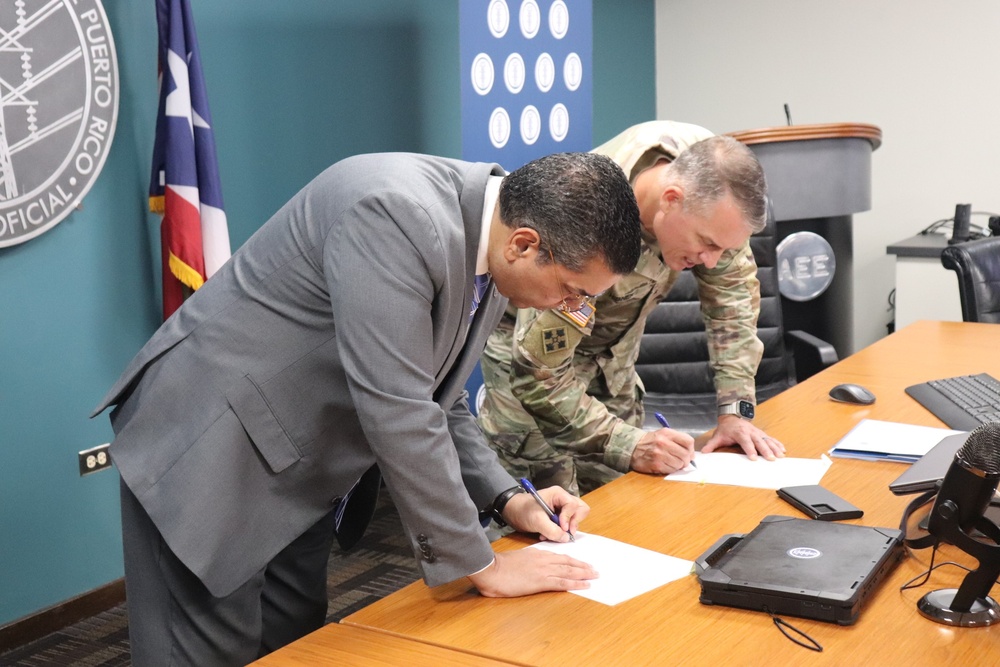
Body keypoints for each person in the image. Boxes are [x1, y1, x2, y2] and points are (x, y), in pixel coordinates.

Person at [91, 151, 642, 665]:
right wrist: (485, 565)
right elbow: (399, 408)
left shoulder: (493, 246)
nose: (573, 308)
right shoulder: (396, 213)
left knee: (296, 642)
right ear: (525, 244)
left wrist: (505, 499)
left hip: (300, 460)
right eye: (572, 290)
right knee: (210, 650)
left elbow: (435, 395)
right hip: (211, 448)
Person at [477, 121, 785, 497]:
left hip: (613, 356)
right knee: (543, 505)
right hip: (530, 354)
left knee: (624, 496)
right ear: (671, 199)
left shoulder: (716, 186)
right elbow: (539, 376)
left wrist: (735, 410)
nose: (711, 262)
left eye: (723, 249)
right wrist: (627, 444)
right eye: (706, 245)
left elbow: (732, 302)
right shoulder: (589, 219)